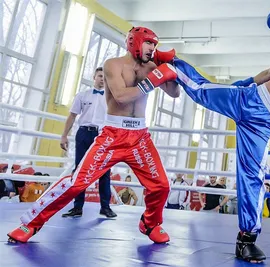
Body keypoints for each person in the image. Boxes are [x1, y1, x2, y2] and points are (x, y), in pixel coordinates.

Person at [155, 9, 270, 263]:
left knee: (252, 177)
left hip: (264, 121)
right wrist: (243, 82)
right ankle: (170, 63)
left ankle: (246, 240)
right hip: (248, 97)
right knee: (202, 90)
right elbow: (268, 75)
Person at [7, 26, 180, 244]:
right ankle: (30, 224)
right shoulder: (113, 65)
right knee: (77, 183)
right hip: (113, 135)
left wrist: (167, 68)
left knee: (162, 185)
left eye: (155, 45)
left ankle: (150, 223)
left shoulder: (153, 67)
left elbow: (174, 93)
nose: (152, 48)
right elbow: (121, 96)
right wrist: (153, 80)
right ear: (134, 42)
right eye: (149, 43)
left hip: (139, 136)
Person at [60, 66, 117, 218]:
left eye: (105, 77)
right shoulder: (82, 95)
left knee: (104, 170)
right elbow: (72, 116)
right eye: (100, 76)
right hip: (84, 133)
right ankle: (77, 207)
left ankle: (105, 207)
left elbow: (117, 118)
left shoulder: (112, 98)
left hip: (103, 136)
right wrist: (64, 135)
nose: (102, 80)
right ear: (94, 77)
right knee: (80, 170)